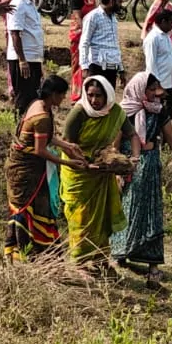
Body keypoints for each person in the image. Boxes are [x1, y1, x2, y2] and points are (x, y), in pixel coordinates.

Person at [113, 71, 172, 288]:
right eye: (152, 89)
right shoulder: (124, 112)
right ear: (139, 90)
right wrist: (118, 171)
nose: (158, 93)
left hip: (151, 167)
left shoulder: (158, 111)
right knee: (127, 209)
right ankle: (122, 252)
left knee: (151, 213)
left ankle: (152, 265)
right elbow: (115, 145)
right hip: (130, 168)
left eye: (158, 88)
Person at [6, 76, 87, 261]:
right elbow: (40, 149)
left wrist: (67, 146)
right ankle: (28, 253)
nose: (64, 99)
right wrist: (67, 162)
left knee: (32, 209)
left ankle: (28, 254)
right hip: (26, 170)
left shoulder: (40, 105)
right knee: (30, 210)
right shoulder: (42, 116)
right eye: (62, 94)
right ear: (53, 94)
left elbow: (43, 138)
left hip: (27, 168)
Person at [61, 76, 134, 267]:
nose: (94, 100)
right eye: (90, 95)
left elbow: (132, 134)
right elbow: (67, 146)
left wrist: (134, 157)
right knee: (81, 217)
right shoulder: (79, 113)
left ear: (107, 95)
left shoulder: (115, 112)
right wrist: (85, 164)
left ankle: (100, 259)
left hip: (101, 173)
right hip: (78, 173)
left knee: (101, 218)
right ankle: (79, 262)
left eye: (99, 96)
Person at [7, 0, 45, 118]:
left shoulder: (30, 3)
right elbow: (15, 34)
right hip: (24, 58)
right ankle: (19, 129)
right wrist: (22, 60)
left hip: (32, 58)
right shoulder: (19, 3)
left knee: (32, 96)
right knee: (23, 98)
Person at [142, 0, 172, 117]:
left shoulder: (167, 35)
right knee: (159, 114)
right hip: (160, 85)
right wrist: (157, 87)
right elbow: (151, 65)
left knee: (167, 115)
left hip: (168, 83)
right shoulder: (154, 38)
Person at [80, 0, 125, 87]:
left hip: (112, 67)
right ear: (111, 1)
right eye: (119, 2)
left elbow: (115, 45)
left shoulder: (113, 18)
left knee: (109, 99)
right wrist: (84, 67)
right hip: (97, 66)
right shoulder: (93, 17)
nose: (121, 5)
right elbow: (84, 42)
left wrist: (121, 69)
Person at [67, 0, 98, 98]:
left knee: (88, 63)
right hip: (79, 34)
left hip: (90, 34)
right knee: (78, 64)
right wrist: (85, 32)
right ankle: (76, 94)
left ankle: (86, 94)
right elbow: (77, 15)